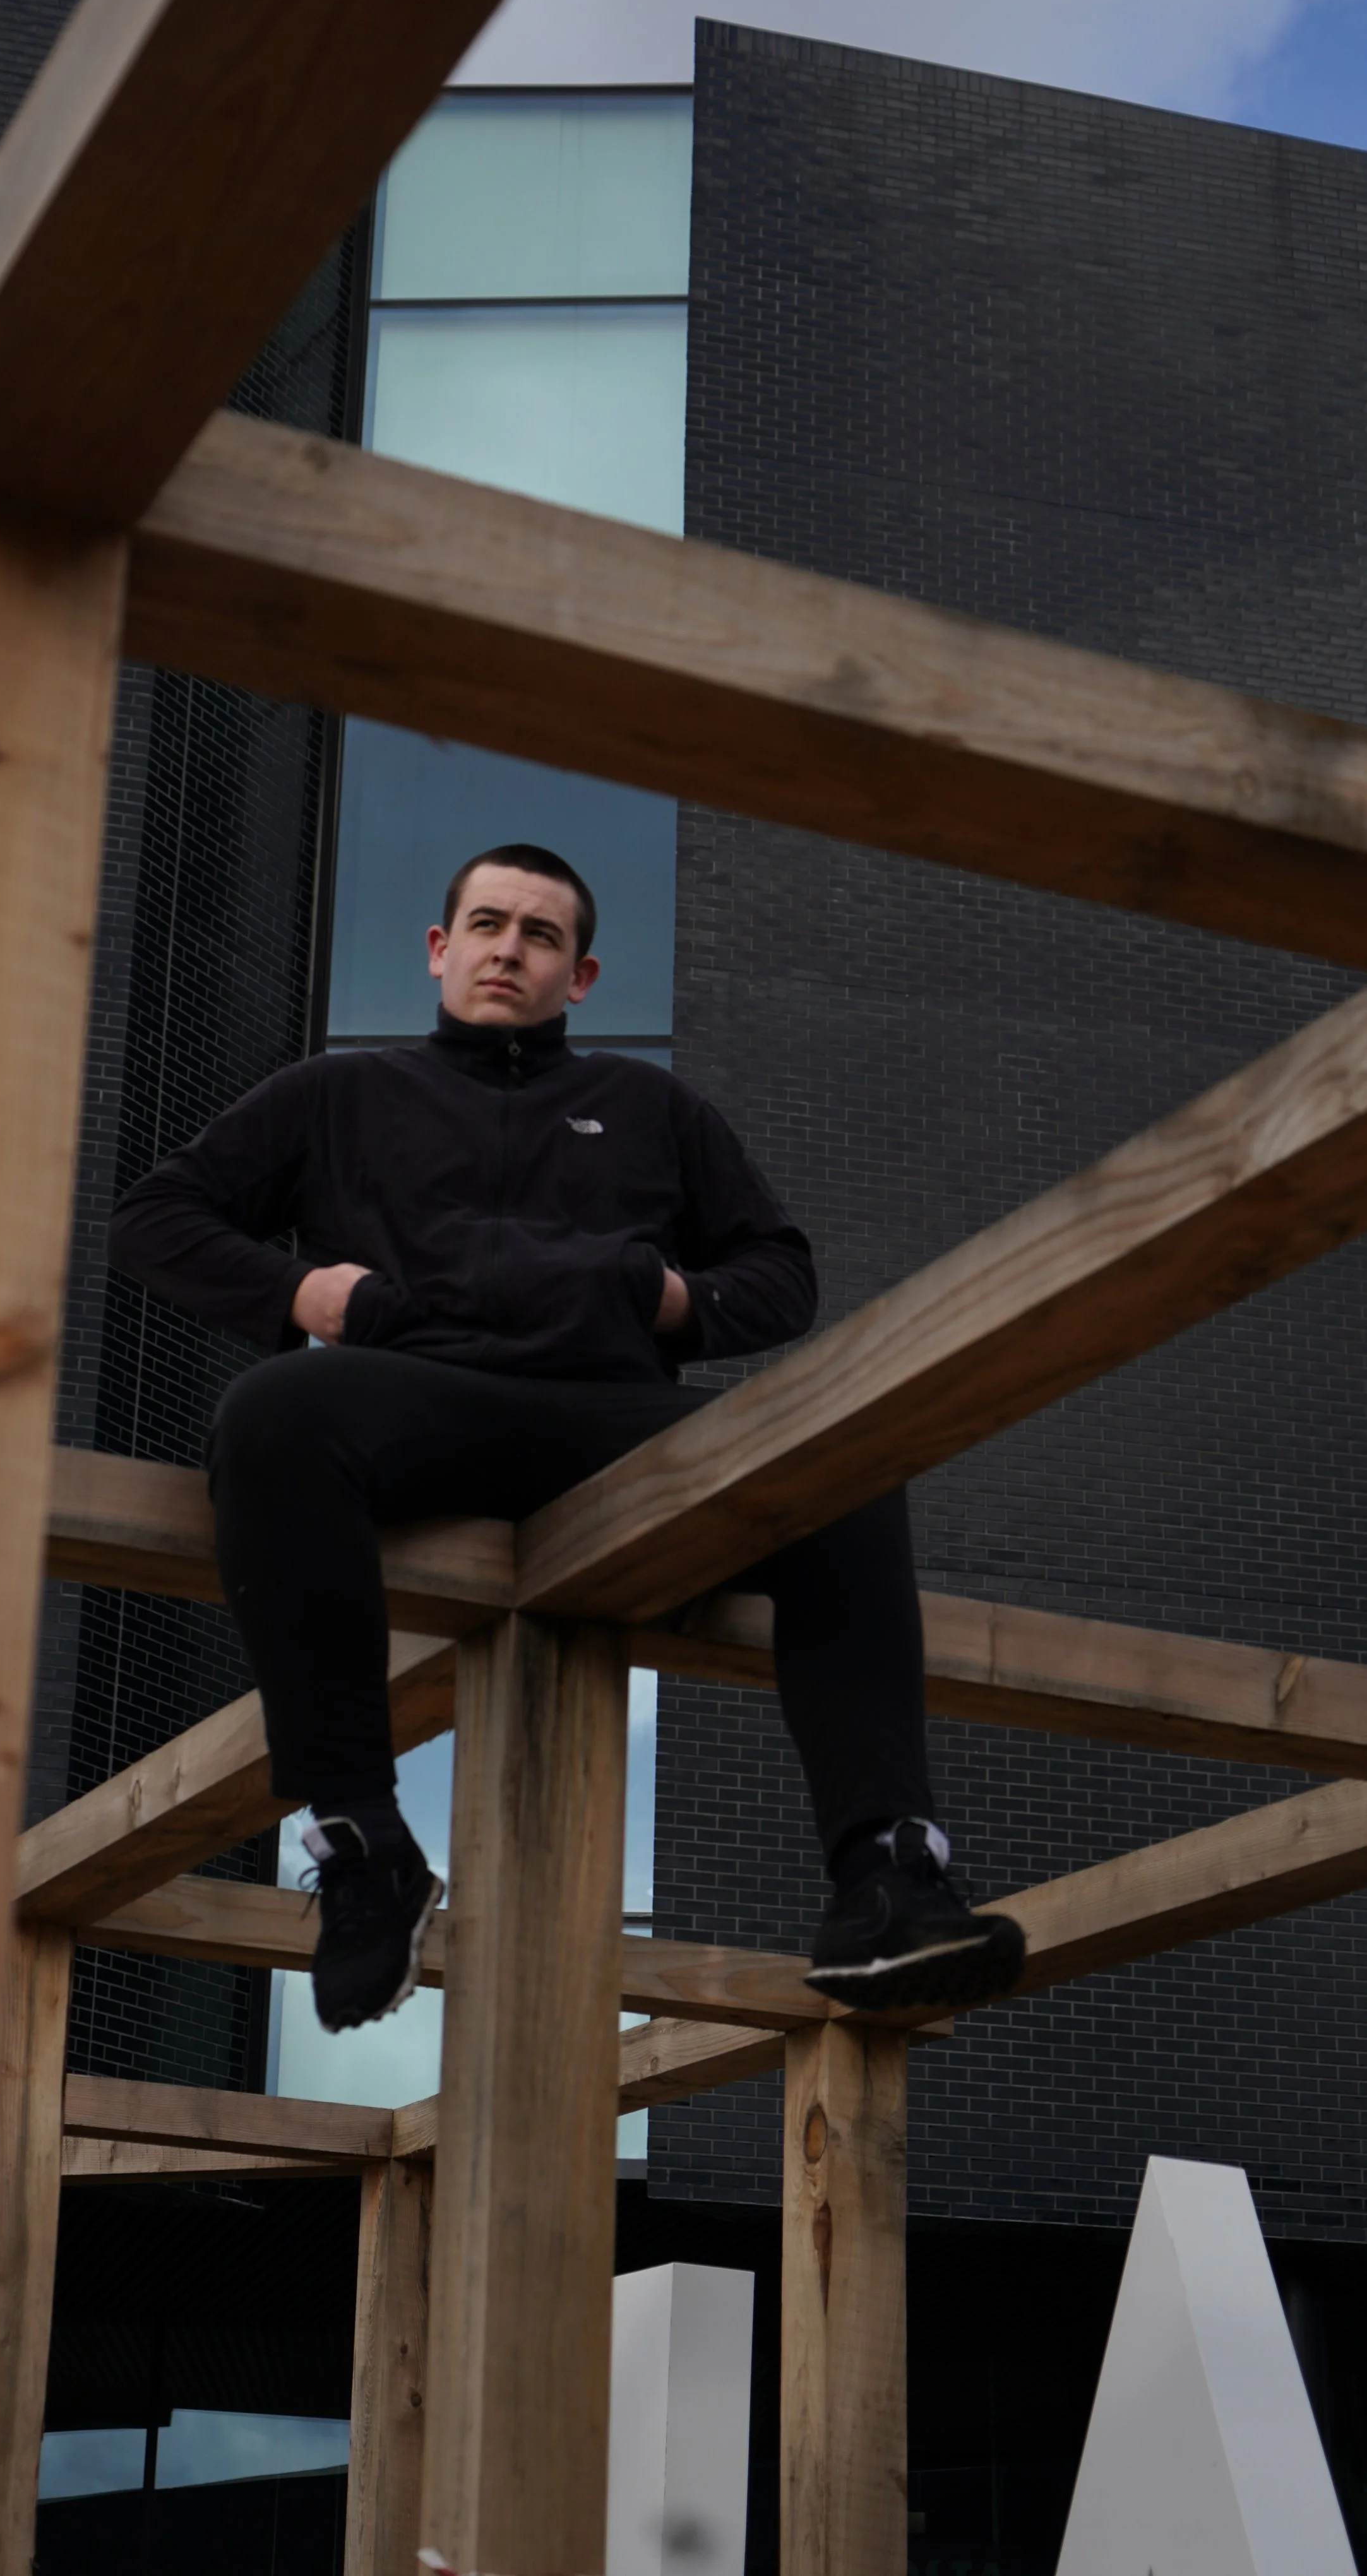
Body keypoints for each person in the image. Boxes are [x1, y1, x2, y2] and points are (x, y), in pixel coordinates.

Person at [110, 842, 1024, 2031]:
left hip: (611, 1422)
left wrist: (670, 1298)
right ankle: (361, 1844)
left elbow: (781, 1274)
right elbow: (154, 1218)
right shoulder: (336, 1094)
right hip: (416, 1397)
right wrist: (305, 1292)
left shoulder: (651, 1108)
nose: (510, 950)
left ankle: (886, 1881)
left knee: (840, 1457)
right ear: (439, 949)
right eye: (488, 924)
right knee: (270, 1412)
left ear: (579, 976)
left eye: (541, 935)